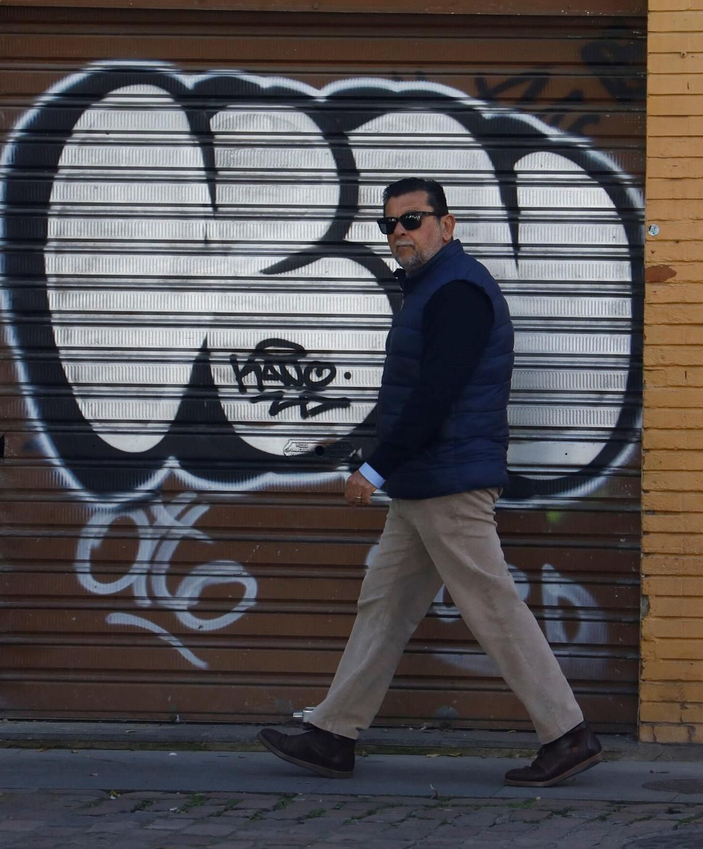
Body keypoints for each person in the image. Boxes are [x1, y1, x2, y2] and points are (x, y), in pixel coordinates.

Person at [257, 177, 603, 788]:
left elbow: (436, 394)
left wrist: (376, 466)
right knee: (384, 606)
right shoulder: (431, 290)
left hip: (449, 480)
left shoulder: (458, 291)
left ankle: (567, 733)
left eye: (412, 220)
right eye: (389, 224)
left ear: (447, 223)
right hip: (424, 481)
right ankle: (333, 735)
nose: (399, 233)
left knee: (491, 606)